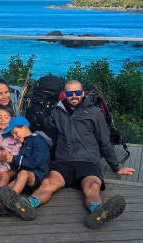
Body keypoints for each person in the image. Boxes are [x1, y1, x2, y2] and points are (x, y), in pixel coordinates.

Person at [23, 80, 135, 229]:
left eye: (77, 92)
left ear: (82, 93)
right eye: (70, 93)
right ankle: (27, 205)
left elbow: (104, 141)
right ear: (65, 95)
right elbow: (48, 132)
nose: (73, 96)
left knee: (92, 186)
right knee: (48, 183)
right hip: (64, 161)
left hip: (87, 161)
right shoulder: (57, 111)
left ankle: (98, 212)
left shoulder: (94, 112)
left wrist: (116, 167)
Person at [0, 116, 51, 221]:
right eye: (13, 135)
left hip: (37, 175)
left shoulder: (38, 140)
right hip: (24, 177)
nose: (15, 137)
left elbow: (35, 162)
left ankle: (10, 202)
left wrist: (13, 159)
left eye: (16, 133)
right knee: (14, 178)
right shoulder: (23, 143)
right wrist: (8, 156)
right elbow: (19, 162)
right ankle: (0, 198)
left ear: (25, 127)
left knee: (22, 173)